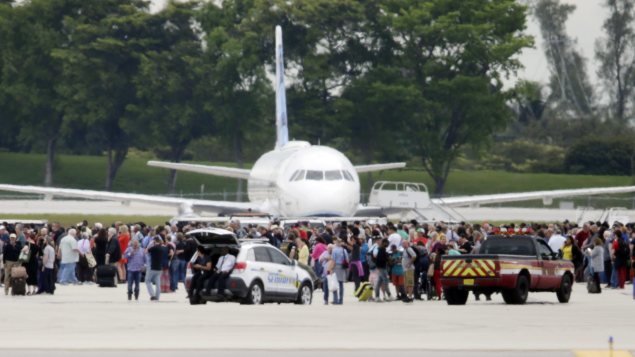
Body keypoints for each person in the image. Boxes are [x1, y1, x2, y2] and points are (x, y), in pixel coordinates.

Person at [145, 236, 164, 301]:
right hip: (159, 268)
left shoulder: (154, 248)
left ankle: (152, 295)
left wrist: (150, 245)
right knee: (158, 283)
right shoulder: (162, 248)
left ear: (154, 241)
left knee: (147, 281)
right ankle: (157, 296)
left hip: (152, 267)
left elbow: (146, 251)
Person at [331, 239, 348, 304]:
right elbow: (347, 259)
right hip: (342, 267)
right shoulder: (344, 250)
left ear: (336, 243)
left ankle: (335, 299)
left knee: (334, 283)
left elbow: (333, 260)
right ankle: (341, 300)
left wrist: (331, 269)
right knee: (341, 284)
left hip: (336, 267)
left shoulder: (334, 250)